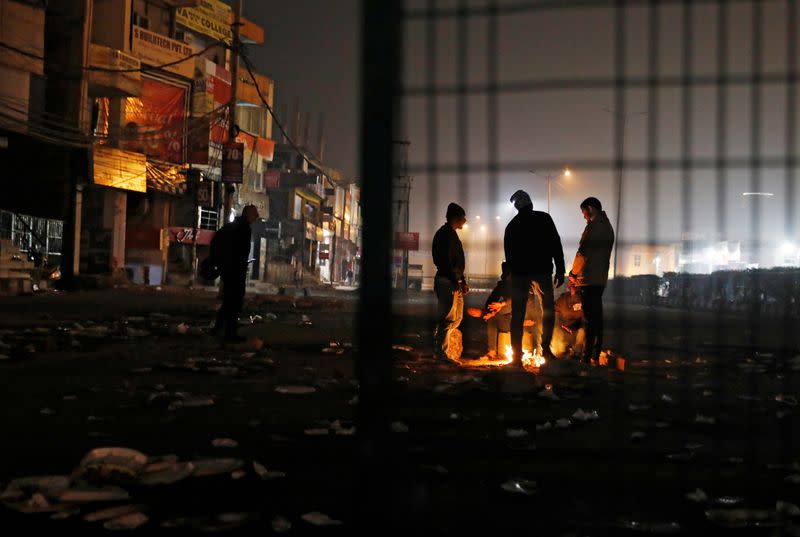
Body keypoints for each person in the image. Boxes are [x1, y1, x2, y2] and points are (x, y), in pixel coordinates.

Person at [504, 190, 565, 365]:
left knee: (518, 314)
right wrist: (560, 269)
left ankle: (516, 357)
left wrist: (513, 275)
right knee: (547, 310)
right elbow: (556, 244)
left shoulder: (512, 226)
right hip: (542, 272)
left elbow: (509, 256)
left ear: (517, 207)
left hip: (521, 274)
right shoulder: (544, 219)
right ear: (530, 204)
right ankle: (545, 350)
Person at [568, 197, 615, 364]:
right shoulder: (607, 226)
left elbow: (583, 253)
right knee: (597, 318)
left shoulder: (595, 227)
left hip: (589, 279)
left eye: (583, 212)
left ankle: (586, 358)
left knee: (589, 319)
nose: (583, 217)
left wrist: (573, 274)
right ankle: (595, 354)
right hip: (599, 278)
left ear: (590, 208)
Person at [467, 261, 538, 360]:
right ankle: (491, 352)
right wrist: (489, 311)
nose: (506, 277)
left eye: (508, 274)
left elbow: (519, 299)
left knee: (502, 311)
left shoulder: (525, 285)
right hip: (511, 320)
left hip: (526, 322)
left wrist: (501, 304)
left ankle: (523, 353)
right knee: (492, 319)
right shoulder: (503, 285)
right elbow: (491, 300)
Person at [210, 205, 260, 341]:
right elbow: (239, 252)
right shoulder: (242, 229)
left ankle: (218, 329)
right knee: (234, 302)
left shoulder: (233, 226)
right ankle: (230, 333)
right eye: (255, 214)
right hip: (235, 271)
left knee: (229, 301)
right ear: (248, 215)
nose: (257, 217)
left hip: (230, 269)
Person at [432, 202, 468, 360]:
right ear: (456, 217)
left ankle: (440, 342)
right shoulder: (445, 235)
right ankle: (442, 353)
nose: (465, 221)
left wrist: (462, 281)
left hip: (453, 282)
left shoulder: (451, 234)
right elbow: (445, 262)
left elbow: (456, 263)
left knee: (457, 318)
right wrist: (455, 280)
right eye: (463, 217)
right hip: (447, 282)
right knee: (448, 319)